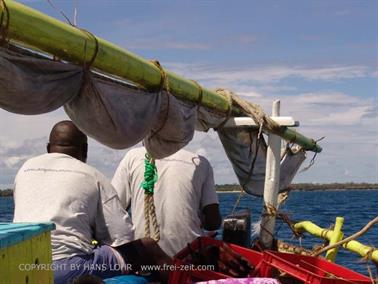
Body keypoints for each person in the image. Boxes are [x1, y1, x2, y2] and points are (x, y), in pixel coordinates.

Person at [13, 121, 172, 283]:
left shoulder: (24, 170)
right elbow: (123, 236)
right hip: (67, 269)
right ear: (85, 150)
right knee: (148, 248)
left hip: (20, 266)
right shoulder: (92, 176)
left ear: (48, 149)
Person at [112, 147, 222, 257]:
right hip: (188, 257)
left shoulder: (132, 157)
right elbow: (213, 222)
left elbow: (112, 210)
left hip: (144, 259)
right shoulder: (199, 163)